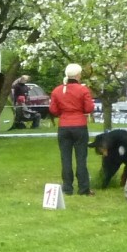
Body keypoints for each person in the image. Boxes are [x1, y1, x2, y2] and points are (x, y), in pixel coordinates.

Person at [49, 63, 95, 196]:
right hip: (79, 125)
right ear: (78, 75)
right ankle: (83, 188)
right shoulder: (83, 90)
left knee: (65, 158)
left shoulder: (57, 90)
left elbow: (53, 109)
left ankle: (67, 188)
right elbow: (89, 108)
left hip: (64, 126)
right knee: (81, 158)